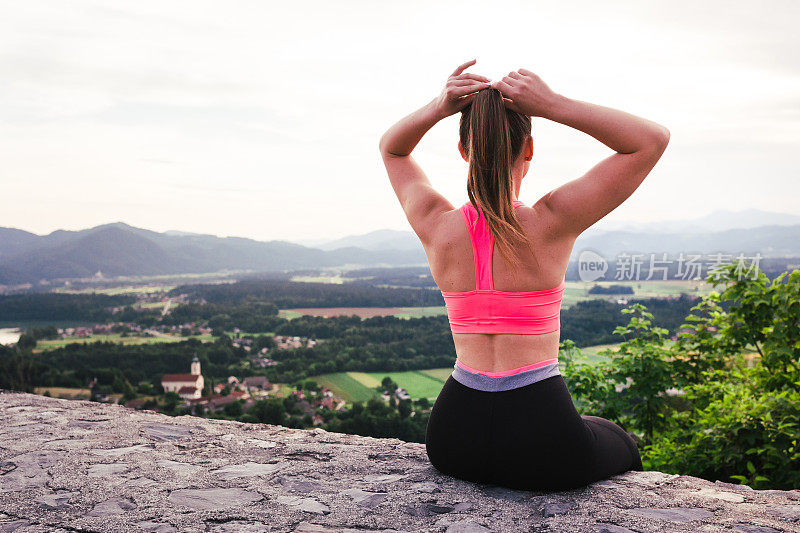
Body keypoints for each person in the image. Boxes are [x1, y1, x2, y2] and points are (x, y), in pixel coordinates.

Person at [378, 59, 669, 492]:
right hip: (542, 439)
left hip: (453, 438)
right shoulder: (552, 220)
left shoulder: (434, 223)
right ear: (528, 149)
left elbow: (392, 149)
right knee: (616, 437)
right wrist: (554, 104)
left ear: (463, 150)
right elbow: (650, 141)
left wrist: (438, 107)